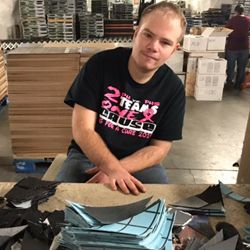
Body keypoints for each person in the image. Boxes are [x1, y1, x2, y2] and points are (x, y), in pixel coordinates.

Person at [56, 1, 187, 195]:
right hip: (87, 157)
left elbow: (159, 149)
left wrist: (116, 170)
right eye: (147, 35)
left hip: (138, 162)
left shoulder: (173, 89)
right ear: (136, 34)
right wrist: (111, 168)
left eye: (165, 42)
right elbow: (82, 129)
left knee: (158, 203)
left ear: (174, 49)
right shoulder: (100, 65)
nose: (153, 46)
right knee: (61, 203)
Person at [225, 4, 250, 90]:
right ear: (243, 11)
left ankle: (229, 83)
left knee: (231, 66)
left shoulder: (233, 19)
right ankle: (238, 84)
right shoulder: (248, 19)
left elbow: (226, 31)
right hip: (244, 47)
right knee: (242, 67)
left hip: (233, 47)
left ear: (235, 11)